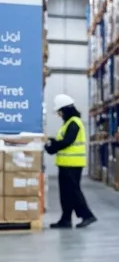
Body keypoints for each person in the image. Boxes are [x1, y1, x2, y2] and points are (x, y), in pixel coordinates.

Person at [43, 94, 97, 229]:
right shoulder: (67, 123)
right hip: (65, 163)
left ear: (65, 109)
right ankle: (65, 219)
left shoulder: (74, 122)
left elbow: (67, 141)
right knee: (65, 193)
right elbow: (62, 140)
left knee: (73, 191)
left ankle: (87, 215)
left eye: (60, 112)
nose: (59, 115)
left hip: (73, 164)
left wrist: (51, 147)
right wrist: (50, 142)